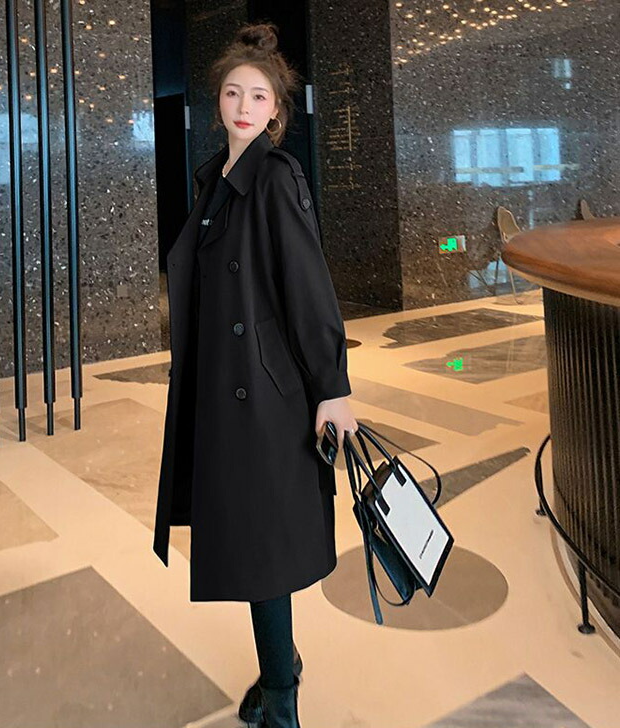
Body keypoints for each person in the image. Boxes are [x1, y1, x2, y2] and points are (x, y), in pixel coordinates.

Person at [153, 21, 358, 728]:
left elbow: (308, 286)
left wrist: (332, 386)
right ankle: (282, 667)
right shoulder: (216, 178)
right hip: (222, 390)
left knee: (260, 549)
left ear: (277, 110)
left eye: (259, 96)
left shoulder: (275, 177)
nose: (244, 105)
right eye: (233, 93)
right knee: (247, 542)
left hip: (263, 398)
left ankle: (281, 699)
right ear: (218, 102)